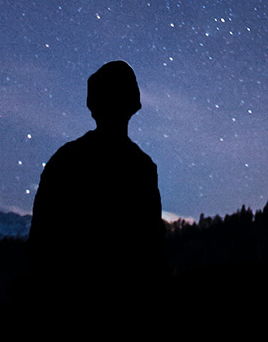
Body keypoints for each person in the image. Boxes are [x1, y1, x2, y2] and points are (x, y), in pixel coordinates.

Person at [27, 61, 166, 305]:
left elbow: (41, 240)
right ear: (133, 103)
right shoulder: (141, 167)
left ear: (93, 105)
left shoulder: (67, 159)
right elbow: (151, 250)